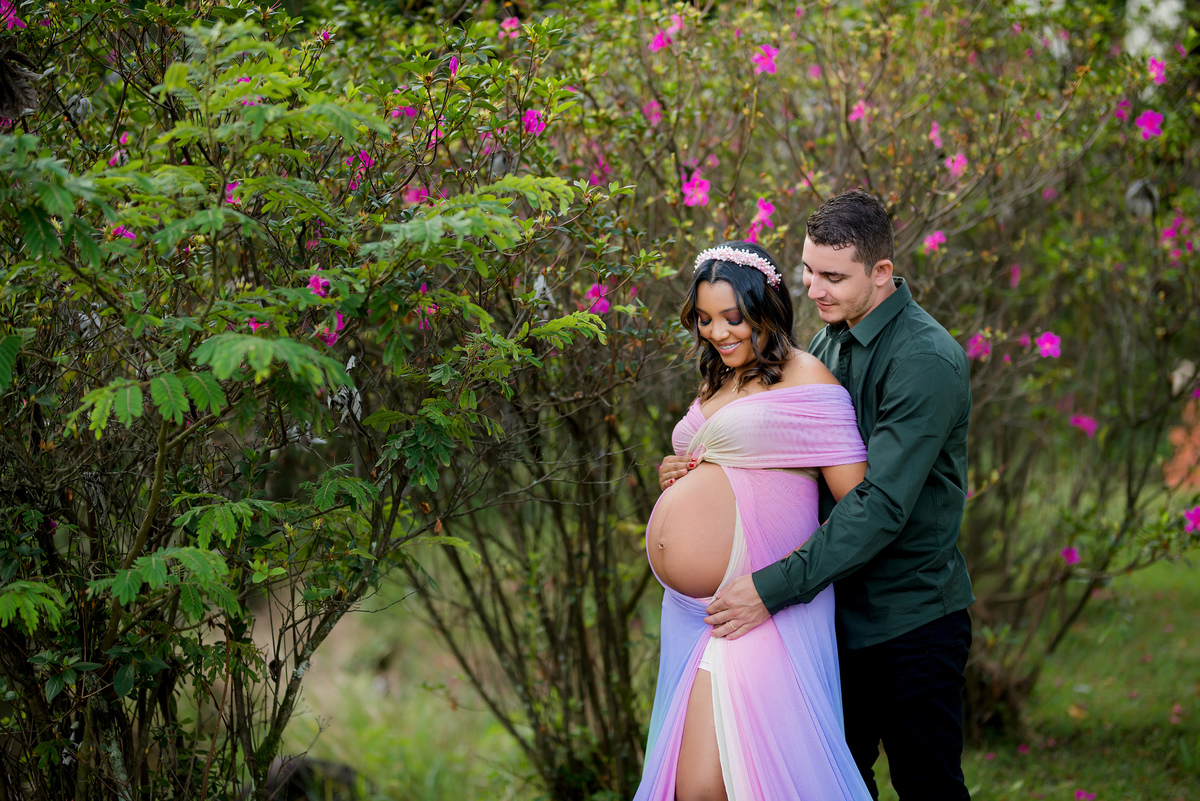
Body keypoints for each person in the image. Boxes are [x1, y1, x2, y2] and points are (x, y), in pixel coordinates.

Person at [670, 190, 975, 800]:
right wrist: (700, 475)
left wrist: (769, 588)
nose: (813, 289)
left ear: (881, 272)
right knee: (833, 786)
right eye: (808, 271)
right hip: (829, 612)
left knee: (928, 787)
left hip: (910, 619)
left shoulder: (924, 360)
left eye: (833, 277)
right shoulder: (830, 343)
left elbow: (879, 506)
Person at [635, 241, 873, 801]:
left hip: (758, 602)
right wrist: (679, 473)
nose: (717, 333)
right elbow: (727, 461)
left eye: (732, 317)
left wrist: (785, 578)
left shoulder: (807, 377)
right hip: (691, 613)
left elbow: (859, 505)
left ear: (765, 309)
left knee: (712, 784)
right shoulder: (717, 379)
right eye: (704, 319)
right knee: (699, 785)